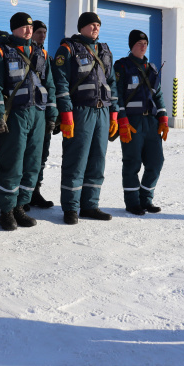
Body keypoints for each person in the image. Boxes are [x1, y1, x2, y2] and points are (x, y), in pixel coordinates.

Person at [0, 13, 57, 230]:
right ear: (13, 29)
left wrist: (52, 114)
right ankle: (6, 210)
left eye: (30, 27)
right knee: (12, 161)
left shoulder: (41, 53)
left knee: (32, 162)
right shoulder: (0, 53)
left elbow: (50, 85)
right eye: (23, 27)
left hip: (37, 113)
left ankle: (21, 205)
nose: (28, 30)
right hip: (15, 115)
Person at [53, 12, 119, 225]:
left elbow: (111, 83)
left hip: (102, 112)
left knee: (97, 159)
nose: (95, 28)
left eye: (98, 25)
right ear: (81, 27)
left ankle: (90, 205)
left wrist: (115, 114)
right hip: (80, 111)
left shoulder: (105, 50)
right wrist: (66, 113)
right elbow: (61, 83)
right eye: (91, 25)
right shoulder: (68, 49)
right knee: (76, 159)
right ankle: (71, 207)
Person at [114, 30, 169, 215]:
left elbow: (158, 95)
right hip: (132, 123)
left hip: (151, 122)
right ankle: (132, 202)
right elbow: (118, 96)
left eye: (145, 42)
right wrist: (122, 120)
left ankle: (146, 198)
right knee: (132, 162)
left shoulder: (152, 68)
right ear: (131, 45)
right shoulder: (122, 66)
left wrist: (163, 118)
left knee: (156, 161)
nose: (143, 45)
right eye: (139, 43)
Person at [24, 20, 56, 210]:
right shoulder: (22, 53)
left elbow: (52, 85)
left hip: (42, 112)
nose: (42, 35)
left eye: (45, 32)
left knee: (41, 155)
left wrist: (53, 114)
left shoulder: (46, 57)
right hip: (26, 112)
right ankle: (23, 195)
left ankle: (35, 191)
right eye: (39, 32)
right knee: (25, 154)